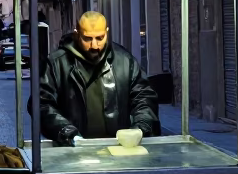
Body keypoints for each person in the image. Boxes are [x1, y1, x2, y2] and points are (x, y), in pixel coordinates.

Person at [39, 11, 159, 145]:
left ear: (107, 32)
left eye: (100, 38)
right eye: (87, 39)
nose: (94, 46)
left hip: (119, 147)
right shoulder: (56, 63)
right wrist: (67, 133)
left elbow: (144, 97)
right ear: (77, 34)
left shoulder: (125, 61)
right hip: (73, 148)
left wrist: (140, 127)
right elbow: (42, 104)